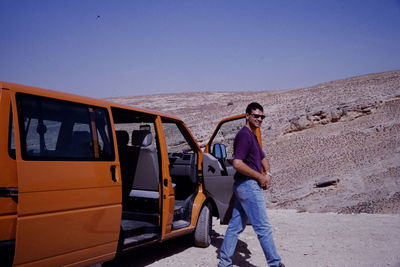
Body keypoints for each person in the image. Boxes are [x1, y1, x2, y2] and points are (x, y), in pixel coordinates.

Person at [218, 102, 284, 267]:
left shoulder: (253, 136)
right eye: (256, 116)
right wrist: (260, 178)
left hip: (244, 186)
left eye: (262, 116)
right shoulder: (244, 135)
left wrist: (267, 174)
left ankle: (224, 263)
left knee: (235, 227)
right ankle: (275, 264)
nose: (260, 119)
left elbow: (263, 158)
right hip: (248, 186)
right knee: (263, 228)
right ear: (247, 115)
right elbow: (237, 163)